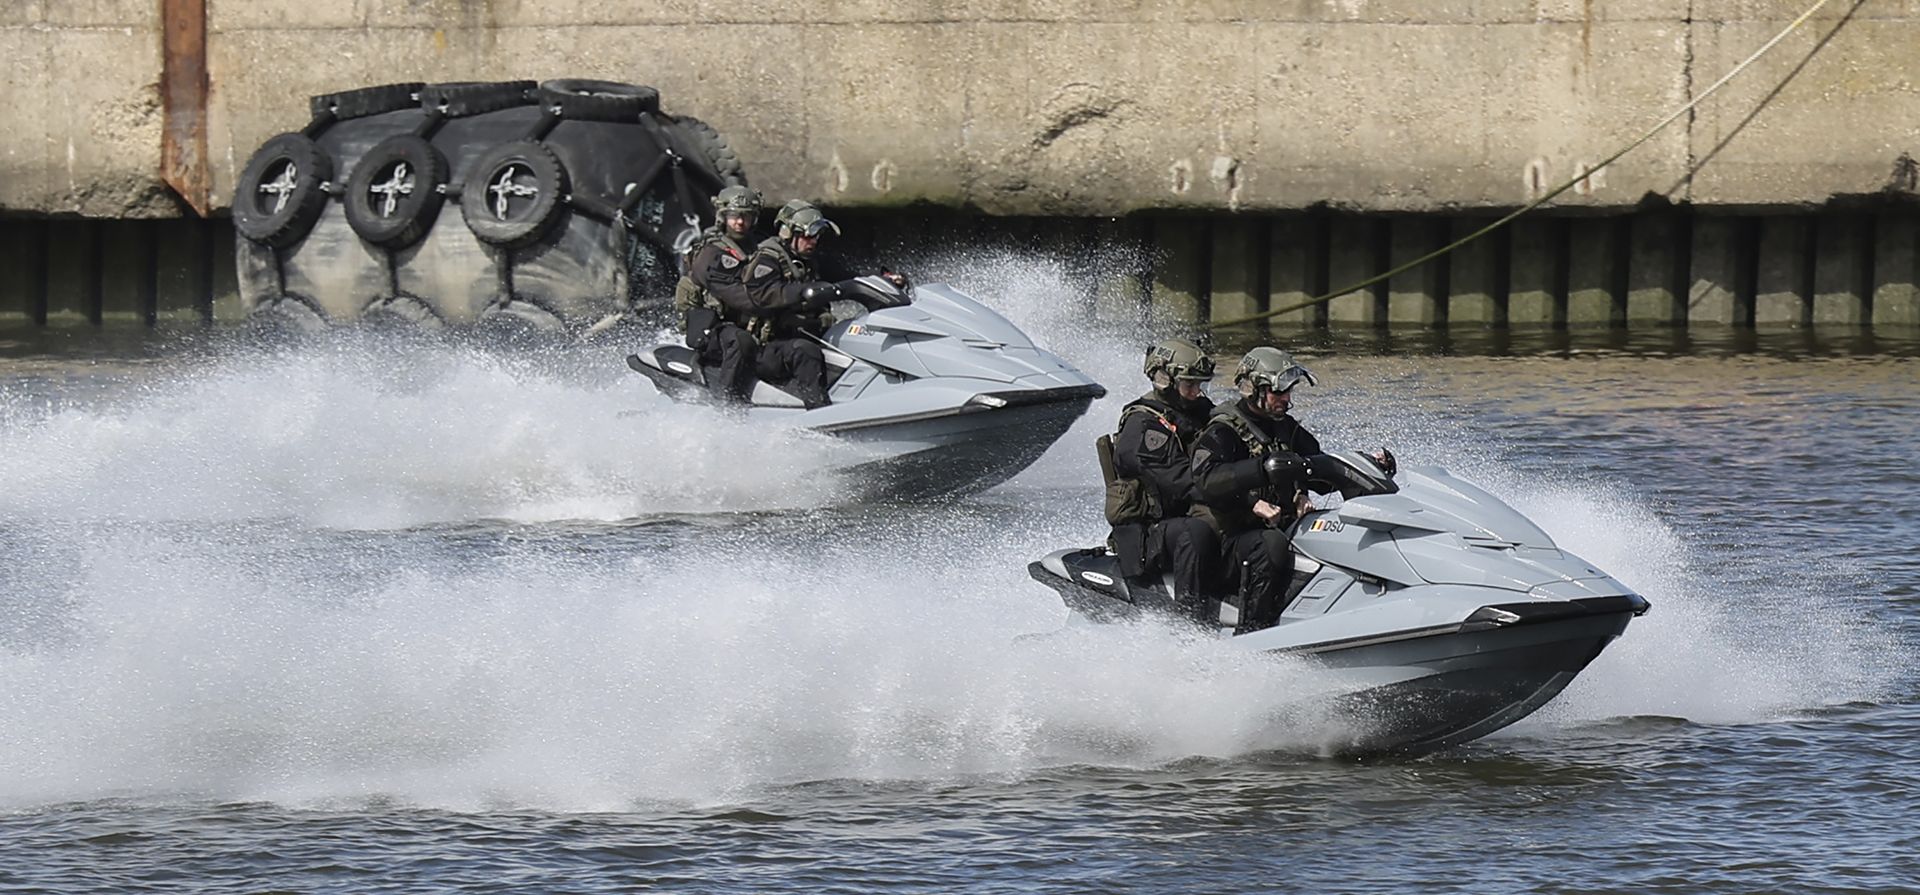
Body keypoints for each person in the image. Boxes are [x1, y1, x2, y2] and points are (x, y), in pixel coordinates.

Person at [1189, 346, 1326, 634]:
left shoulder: (1285, 427)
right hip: (1228, 540)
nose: (1287, 400)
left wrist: (1362, 463)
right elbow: (1207, 481)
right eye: (1279, 393)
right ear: (1254, 390)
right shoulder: (1223, 431)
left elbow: (1317, 465)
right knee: (1269, 545)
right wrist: (1253, 493)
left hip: (1274, 527)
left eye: (1289, 392)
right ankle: (1253, 630)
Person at [1105, 338, 1221, 624]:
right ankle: (1190, 626)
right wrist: (1235, 490)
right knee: (1194, 533)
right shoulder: (1144, 425)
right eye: (1189, 385)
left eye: (1200, 385)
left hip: (1183, 516)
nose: (1196, 393)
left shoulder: (1199, 412)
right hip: (1150, 534)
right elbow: (1180, 479)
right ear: (1165, 381)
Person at [738, 201, 843, 408]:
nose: (812, 242)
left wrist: (881, 279)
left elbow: (845, 276)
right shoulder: (767, 259)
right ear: (788, 233)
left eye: (817, 236)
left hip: (796, 338)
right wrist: (803, 291)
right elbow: (763, 294)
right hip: (765, 347)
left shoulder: (810, 260)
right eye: (807, 236)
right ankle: (820, 417)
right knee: (806, 352)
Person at [673, 184, 766, 402]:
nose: (740, 222)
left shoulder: (761, 247)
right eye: (734, 216)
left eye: (746, 216)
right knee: (739, 341)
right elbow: (730, 292)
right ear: (723, 216)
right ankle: (726, 402)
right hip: (715, 327)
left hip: (751, 320)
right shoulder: (711, 250)